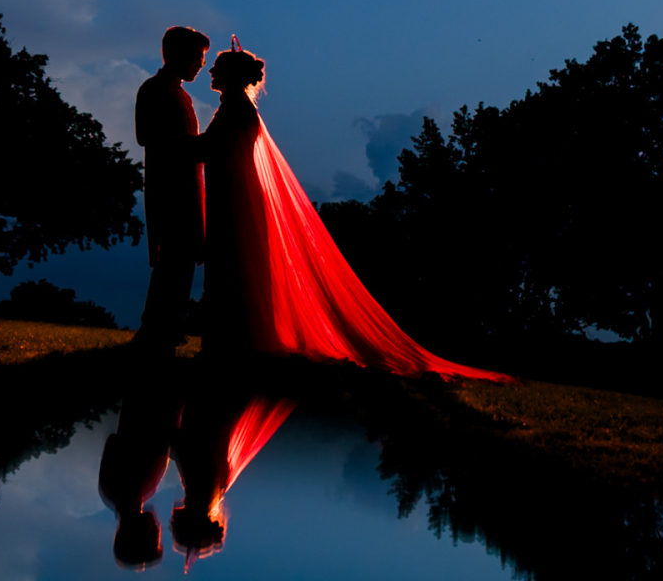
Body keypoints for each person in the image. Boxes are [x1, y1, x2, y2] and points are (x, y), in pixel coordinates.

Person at [200, 37, 513, 382]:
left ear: (231, 74)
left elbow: (206, 149)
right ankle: (235, 342)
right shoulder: (237, 109)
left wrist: (167, 142)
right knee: (235, 265)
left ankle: (233, 344)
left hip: (235, 197)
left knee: (233, 263)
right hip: (233, 194)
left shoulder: (234, 110)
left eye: (217, 66)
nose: (211, 70)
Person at [132, 26, 210, 349]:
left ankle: (169, 326)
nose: (200, 65)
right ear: (176, 54)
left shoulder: (183, 95)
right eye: (196, 57)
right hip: (169, 188)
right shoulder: (153, 90)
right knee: (171, 260)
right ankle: (154, 328)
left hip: (190, 187)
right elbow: (148, 137)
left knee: (183, 259)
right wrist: (201, 145)